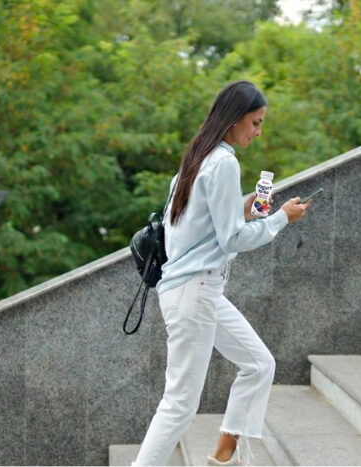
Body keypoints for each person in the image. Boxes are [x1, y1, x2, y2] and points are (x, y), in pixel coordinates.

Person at [133, 80, 310, 466]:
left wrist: (251, 207)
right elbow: (231, 239)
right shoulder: (224, 162)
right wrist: (281, 219)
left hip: (200, 290)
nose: (258, 131)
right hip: (193, 291)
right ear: (234, 120)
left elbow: (205, 223)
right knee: (179, 404)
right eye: (255, 122)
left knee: (259, 364)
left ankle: (223, 456)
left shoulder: (197, 159)